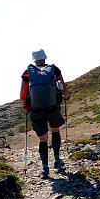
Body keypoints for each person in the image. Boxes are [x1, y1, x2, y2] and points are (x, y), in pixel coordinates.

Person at [20, 49, 68, 179]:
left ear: (34, 59)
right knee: (55, 131)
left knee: (43, 139)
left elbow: (22, 95)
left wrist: (28, 106)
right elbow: (62, 86)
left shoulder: (27, 72)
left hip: (37, 110)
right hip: (52, 108)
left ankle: (45, 168)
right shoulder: (54, 69)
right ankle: (57, 160)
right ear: (44, 58)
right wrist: (66, 96)